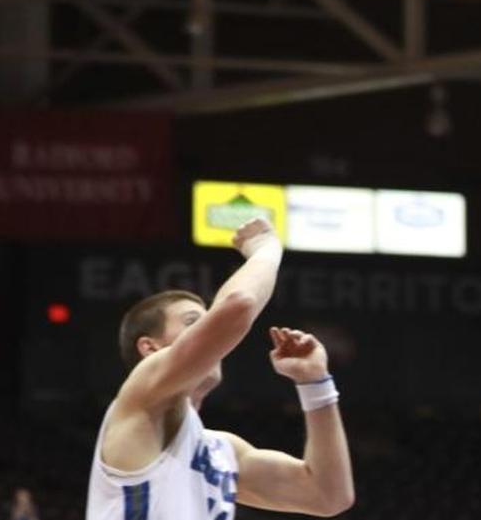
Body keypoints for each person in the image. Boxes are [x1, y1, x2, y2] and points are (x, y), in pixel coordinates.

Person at [85, 218, 353, 519]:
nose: (207, 331)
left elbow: (328, 495)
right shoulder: (143, 397)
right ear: (150, 348)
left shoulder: (221, 450)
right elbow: (238, 305)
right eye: (192, 322)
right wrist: (266, 247)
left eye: (206, 321)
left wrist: (315, 383)